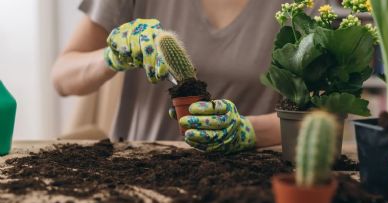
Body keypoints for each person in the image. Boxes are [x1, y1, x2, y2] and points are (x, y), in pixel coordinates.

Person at [51, 0, 320, 153]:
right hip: (139, 169)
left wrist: (247, 131)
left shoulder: (309, 6)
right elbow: (63, 76)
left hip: (249, 176)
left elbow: (324, 115)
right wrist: (112, 57)